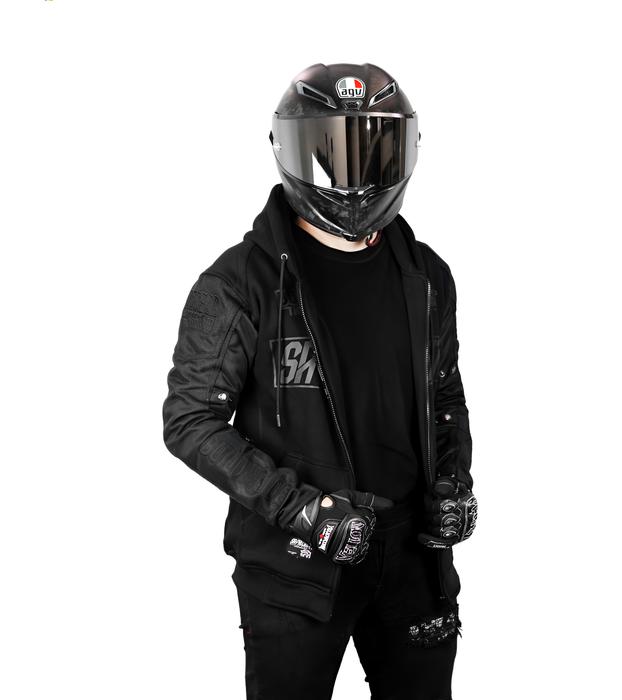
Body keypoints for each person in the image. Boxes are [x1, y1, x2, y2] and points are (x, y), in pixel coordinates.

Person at [163, 62, 477, 700]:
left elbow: (444, 394)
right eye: (335, 152)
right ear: (292, 150)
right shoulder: (236, 284)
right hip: (296, 565)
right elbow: (190, 421)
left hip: (413, 559)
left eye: (375, 149)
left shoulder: (428, 276)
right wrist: (301, 509)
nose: (355, 176)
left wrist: (454, 482)